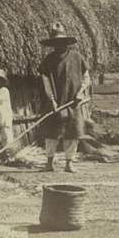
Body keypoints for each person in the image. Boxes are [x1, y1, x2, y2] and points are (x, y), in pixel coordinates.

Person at [38, 22, 90, 173]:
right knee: (51, 132)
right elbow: (46, 81)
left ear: (66, 42)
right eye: (55, 43)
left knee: (72, 132)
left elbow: (86, 78)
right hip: (55, 101)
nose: (58, 45)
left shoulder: (77, 57)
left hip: (73, 101)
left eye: (61, 42)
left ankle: (69, 163)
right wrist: (52, 100)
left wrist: (80, 93)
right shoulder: (48, 60)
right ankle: (49, 163)